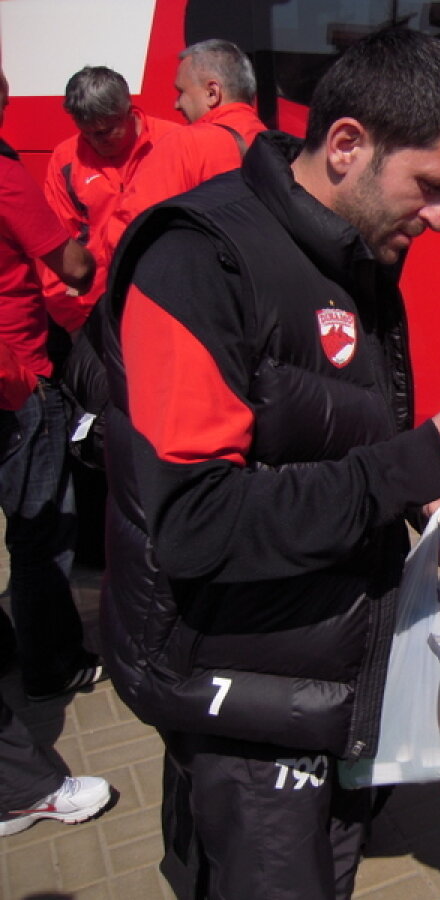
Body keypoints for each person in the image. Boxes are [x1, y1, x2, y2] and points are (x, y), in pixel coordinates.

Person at [99, 25, 440, 900]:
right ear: (346, 146)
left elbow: (331, 448)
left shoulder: (352, 252)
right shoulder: (198, 260)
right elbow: (195, 524)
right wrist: (416, 465)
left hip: (322, 683)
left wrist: (426, 520)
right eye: (432, 187)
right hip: (245, 705)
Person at [0, 68, 102, 703]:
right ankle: (52, 664)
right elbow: (70, 261)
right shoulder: (8, 173)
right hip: (19, 379)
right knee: (42, 533)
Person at [0, 339, 113, 839]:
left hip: (18, 380)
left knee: (38, 537)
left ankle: (24, 653)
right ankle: (20, 791)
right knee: (40, 542)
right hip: (19, 383)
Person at [98, 39, 266, 258]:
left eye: (181, 91)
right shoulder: (274, 142)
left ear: (212, 93)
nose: (176, 104)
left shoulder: (185, 144)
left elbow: (127, 232)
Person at [42, 66, 179, 323]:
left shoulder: (174, 143)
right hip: (94, 309)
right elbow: (60, 243)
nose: (95, 141)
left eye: (104, 132)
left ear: (127, 112)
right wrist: (71, 320)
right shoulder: (66, 158)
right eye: (87, 133)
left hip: (165, 302)